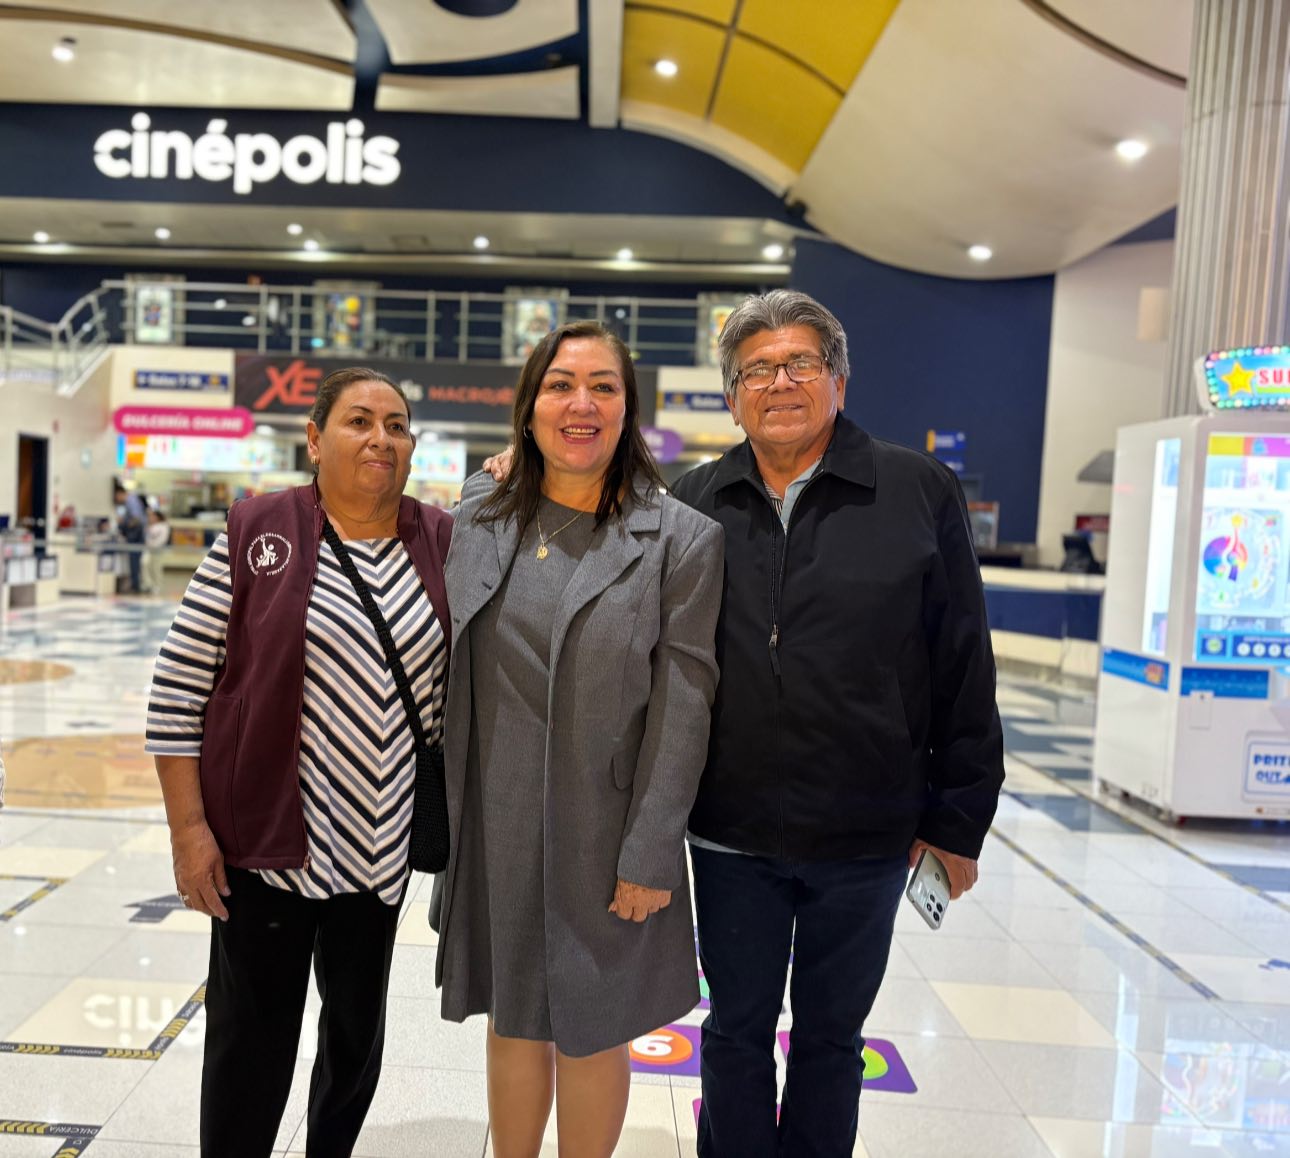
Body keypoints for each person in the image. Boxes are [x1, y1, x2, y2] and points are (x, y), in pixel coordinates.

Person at [669, 290, 1005, 1157]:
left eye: (800, 363)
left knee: (830, 1040)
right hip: (731, 831)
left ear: (839, 382)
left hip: (866, 834)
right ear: (732, 396)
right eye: (757, 370)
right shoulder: (693, 499)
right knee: (734, 1031)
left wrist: (958, 821)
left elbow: (963, 661)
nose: (779, 383)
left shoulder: (914, 490)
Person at [145, 368, 452, 1158]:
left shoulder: (440, 541)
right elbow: (177, 688)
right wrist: (188, 832)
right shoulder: (257, 531)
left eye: (397, 425)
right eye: (359, 421)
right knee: (252, 1043)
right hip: (265, 848)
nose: (381, 439)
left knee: (354, 1042)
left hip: (378, 851)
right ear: (315, 439)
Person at [436, 320, 723, 1158]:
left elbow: (686, 703)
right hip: (497, 818)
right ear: (529, 408)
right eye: (560, 385)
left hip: (607, 832)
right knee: (514, 1017)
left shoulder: (682, 540)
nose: (581, 403)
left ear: (629, 409)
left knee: (595, 1027)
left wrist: (652, 850)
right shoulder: (481, 511)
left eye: (603, 386)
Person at [114, 482, 147, 593]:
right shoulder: (132, 500)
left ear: (120, 493)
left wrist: (125, 524)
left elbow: (136, 519)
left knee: (134, 561)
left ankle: (135, 586)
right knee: (134, 561)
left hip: (136, 535)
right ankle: (135, 584)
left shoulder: (131, 501)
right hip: (136, 534)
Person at [142, 507, 170, 595]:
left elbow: (162, 539)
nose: (151, 518)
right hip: (148, 550)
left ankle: (157, 585)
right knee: (145, 564)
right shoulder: (149, 526)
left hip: (158, 550)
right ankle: (148, 584)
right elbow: (147, 538)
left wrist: (153, 545)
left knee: (156, 567)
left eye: (153, 516)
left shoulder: (164, 526)